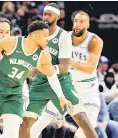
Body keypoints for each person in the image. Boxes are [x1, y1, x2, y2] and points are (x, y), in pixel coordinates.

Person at [21, 5, 97, 138]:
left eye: (49, 14)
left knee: (83, 121)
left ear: (58, 16)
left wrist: (40, 70)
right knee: (25, 123)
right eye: (44, 14)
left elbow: (64, 67)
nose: (45, 17)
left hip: (61, 81)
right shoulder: (35, 35)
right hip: (40, 83)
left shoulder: (63, 36)